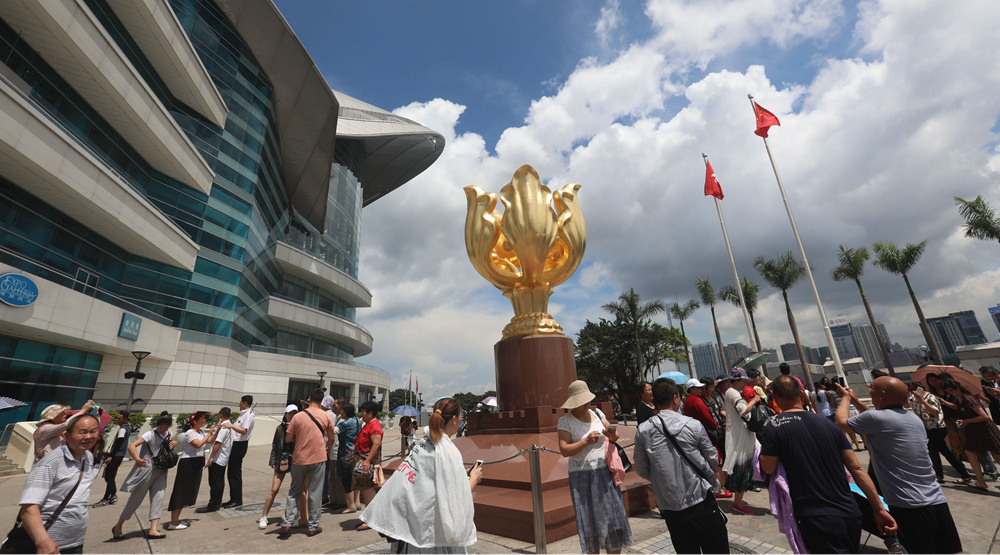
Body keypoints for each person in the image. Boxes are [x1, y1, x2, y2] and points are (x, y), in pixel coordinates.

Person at [760, 376, 896, 553]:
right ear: (802, 395)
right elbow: (857, 468)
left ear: (774, 398)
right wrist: (879, 509)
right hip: (849, 510)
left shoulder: (773, 425)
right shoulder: (828, 424)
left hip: (814, 514)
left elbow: (769, 467)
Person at [836, 377, 963, 554]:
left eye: (872, 389)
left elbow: (840, 422)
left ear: (882, 394)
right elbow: (875, 418)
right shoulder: (911, 419)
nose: (870, 391)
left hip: (908, 505)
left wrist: (845, 399)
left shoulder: (876, 419)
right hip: (937, 501)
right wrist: (856, 400)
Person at [360, 397, 483, 553]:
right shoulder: (448, 450)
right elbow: (456, 498)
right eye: (461, 416)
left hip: (410, 528)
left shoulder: (425, 442)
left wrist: (458, 475)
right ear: (454, 419)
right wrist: (473, 479)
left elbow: (427, 477)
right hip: (430, 537)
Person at [635, 378, 729, 553]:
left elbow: (641, 469)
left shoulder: (643, 430)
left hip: (670, 507)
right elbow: (712, 458)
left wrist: (662, 477)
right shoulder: (692, 425)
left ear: (654, 399)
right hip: (701, 499)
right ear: (676, 398)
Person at [557, 380, 632, 554]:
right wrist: (585, 441)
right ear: (573, 403)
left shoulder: (597, 412)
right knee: (588, 519)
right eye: (582, 401)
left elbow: (614, 436)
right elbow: (564, 450)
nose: (587, 404)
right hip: (582, 475)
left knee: (612, 517)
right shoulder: (565, 421)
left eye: (587, 400)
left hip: (604, 472)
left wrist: (612, 434)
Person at [15, 413, 101, 554]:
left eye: (93, 431)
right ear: (66, 436)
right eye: (82, 432)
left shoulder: (88, 457)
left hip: (74, 543)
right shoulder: (50, 463)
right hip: (47, 546)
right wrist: (43, 542)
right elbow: (29, 509)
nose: (89, 436)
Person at [278, 389, 335, 538]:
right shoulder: (326, 416)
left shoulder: (298, 417)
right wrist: (327, 450)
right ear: (321, 400)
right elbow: (331, 437)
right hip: (318, 458)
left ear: (309, 399)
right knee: (315, 492)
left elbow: (288, 439)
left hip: (299, 458)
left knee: (294, 491)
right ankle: (313, 526)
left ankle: (286, 523)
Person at [112, 412, 177, 539]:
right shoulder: (150, 434)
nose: (163, 430)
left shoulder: (169, 433)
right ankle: (119, 525)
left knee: (158, 498)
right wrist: (137, 459)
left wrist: (172, 444)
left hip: (162, 469)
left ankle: (153, 529)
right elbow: (132, 446)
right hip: (147, 468)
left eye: (165, 427)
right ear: (156, 425)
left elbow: (165, 448)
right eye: (160, 427)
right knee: (136, 499)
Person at [907, 382, 973, 485]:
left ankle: (944, 475)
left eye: (914, 389)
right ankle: (963, 475)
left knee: (935, 450)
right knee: (942, 452)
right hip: (927, 428)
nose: (913, 391)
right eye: (911, 390)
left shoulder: (930, 397)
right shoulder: (913, 398)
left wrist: (921, 400)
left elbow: (935, 412)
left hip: (937, 427)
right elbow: (906, 404)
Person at [165, 411, 219, 530]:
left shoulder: (201, 432)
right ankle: (173, 521)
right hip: (188, 463)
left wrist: (216, 431)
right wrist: (209, 433)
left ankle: (176, 520)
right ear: (195, 421)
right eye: (203, 418)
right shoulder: (190, 432)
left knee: (189, 492)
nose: (205, 420)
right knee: (180, 491)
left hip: (197, 463)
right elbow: (198, 444)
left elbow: (209, 441)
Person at [942, 379, 1000, 490]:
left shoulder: (968, 399)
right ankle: (981, 482)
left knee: (997, 456)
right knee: (970, 452)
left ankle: (982, 481)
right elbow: (958, 409)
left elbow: (984, 416)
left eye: (950, 390)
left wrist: (966, 421)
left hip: (984, 430)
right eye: (948, 391)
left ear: (957, 388)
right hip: (974, 431)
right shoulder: (960, 399)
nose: (950, 393)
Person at [257, 405, 308, 530]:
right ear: (285, 414)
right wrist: (273, 460)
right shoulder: (280, 429)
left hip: (296, 460)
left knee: (299, 489)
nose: (292, 415)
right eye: (290, 413)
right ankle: (264, 516)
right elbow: (275, 446)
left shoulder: (299, 428)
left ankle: (300, 515)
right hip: (282, 459)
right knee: (274, 489)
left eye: (295, 413)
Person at [682, 378, 730, 499]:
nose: (700, 389)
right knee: (717, 460)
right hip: (707, 433)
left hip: (697, 432)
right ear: (691, 389)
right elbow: (707, 417)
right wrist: (715, 426)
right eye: (698, 388)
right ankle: (719, 488)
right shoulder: (696, 400)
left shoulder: (688, 400)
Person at [722, 368, 760, 515]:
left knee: (744, 466)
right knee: (742, 468)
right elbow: (743, 410)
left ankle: (738, 501)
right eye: (744, 380)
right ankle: (738, 503)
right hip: (741, 435)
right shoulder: (733, 393)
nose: (746, 383)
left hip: (743, 434)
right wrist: (755, 401)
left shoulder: (732, 392)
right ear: (737, 380)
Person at [353, 401, 384, 531]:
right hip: (363, 461)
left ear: (370, 413)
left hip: (368, 463)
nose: (362, 414)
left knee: (368, 490)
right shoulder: (369, 424)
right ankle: (368, 517)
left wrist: (367, 461)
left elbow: (376, 444)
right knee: (365, 491)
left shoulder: (375, 426)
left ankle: (371, 520)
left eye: (364, 412)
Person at [197, 407, 233, 513]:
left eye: (218, 415)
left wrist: (211, 457)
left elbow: (218, 443)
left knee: (215, 482)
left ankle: (213, 504)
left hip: (218, 459)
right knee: (219, 482)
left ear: (220, 415)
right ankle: (216, 502)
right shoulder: (226, 426)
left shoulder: (224, 427)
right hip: (223, 458)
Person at [222, 394, 255, 508]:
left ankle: (236, 500)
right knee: (232, 472)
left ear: (245, 403)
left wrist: (231, 426)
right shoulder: (243, 414)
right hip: (235, 444)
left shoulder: (248, 415)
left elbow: (243, 431)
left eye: (241, 402)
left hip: (239, 445)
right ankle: (234, 498)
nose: (239, 404)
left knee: (234, 472)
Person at [94, 411, 130, 507]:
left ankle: (107, 497)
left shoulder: (123, 430)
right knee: (109, 477)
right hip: (118, 455)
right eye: (117, 418)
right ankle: (112, 495)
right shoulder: (125, 429)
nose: (117, 420)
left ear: (124, 419)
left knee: (109, 477)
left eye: (119, 418)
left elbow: (118, 443)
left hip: (116, 455)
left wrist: (111, 456)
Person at [335, 402, 363, 513]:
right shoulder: (358, 421)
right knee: (355, 477)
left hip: (345, 453)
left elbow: (333, 431)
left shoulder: (344, 424)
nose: (340, 412)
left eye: (342, 411)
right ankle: (357, 503)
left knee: (346, 479)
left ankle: (351, 505)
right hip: (356, 452)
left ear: (346, 412)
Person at [325, 397, 346, 508]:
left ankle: (341, 501)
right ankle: (333, 499)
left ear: (341, 406)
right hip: (332, 451)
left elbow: (333, 433)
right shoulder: (337, 417)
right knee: (332, 477)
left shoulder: (343, 420)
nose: (333, 407)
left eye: (335, 405)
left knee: (338, 478)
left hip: (337, 451)